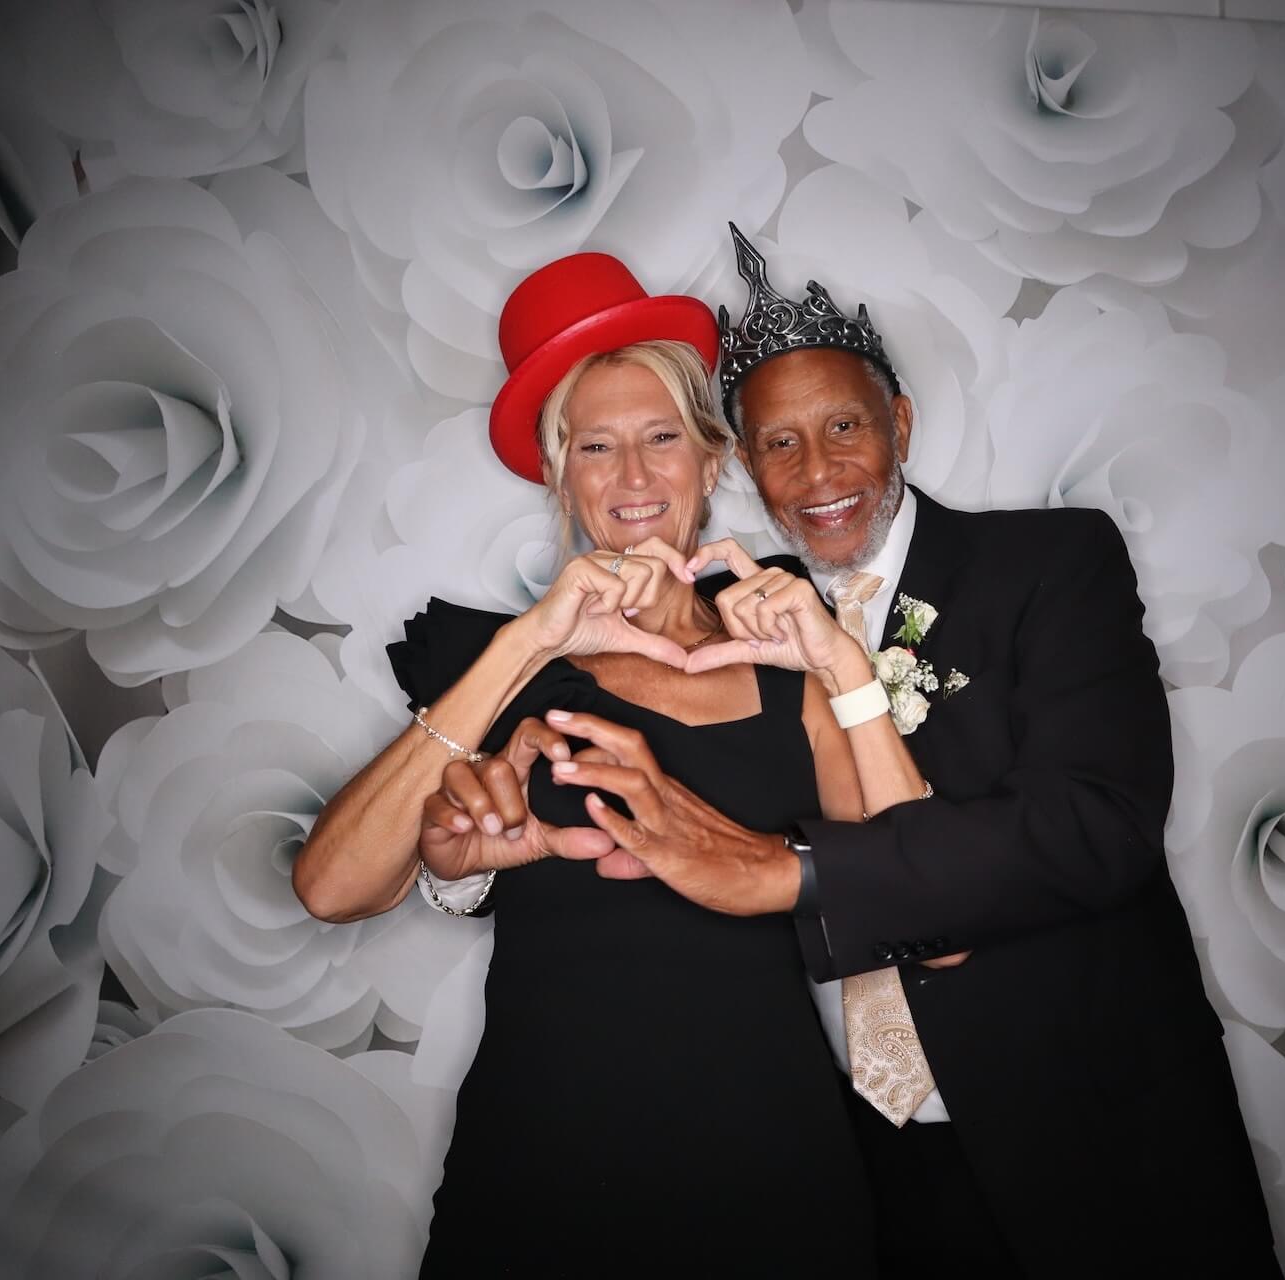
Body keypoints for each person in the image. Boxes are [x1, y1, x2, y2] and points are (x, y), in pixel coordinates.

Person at [425, 227, 1282, 1275]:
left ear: (900, 423)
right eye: (778, 443)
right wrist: (465, 861)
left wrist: (791, 862)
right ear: (742, 464)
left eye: (843, 426)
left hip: (1083, 1127)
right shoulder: (731, 619)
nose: (818, 469)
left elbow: (1097, 827)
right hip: (857, 1164)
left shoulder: (1049, 563)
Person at [292, 252, 937, 1276]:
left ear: (711, 461)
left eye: (661, 439)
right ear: (561, 474)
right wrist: (525, 645)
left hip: (772, 1166)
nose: (633, 479)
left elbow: (918, 915)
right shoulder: (495, 667)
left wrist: (843, 667)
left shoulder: (787, 659)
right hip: (542, 1167)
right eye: (596, 447)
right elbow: (331, 888)